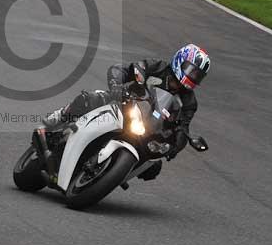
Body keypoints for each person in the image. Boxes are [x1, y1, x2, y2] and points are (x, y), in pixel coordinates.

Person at [40, 44, 211, 176]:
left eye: (198, 75)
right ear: (180, 60)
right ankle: (60, 117)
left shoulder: (189, 102)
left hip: (148, 128)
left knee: (153, 166)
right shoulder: (157, 67)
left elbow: (184, 128)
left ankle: (112, 173)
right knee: (93, 98)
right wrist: (116, 84)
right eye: (191, 70)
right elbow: (124, 69)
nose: (193, 77)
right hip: (124, 104)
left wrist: (175, 147)